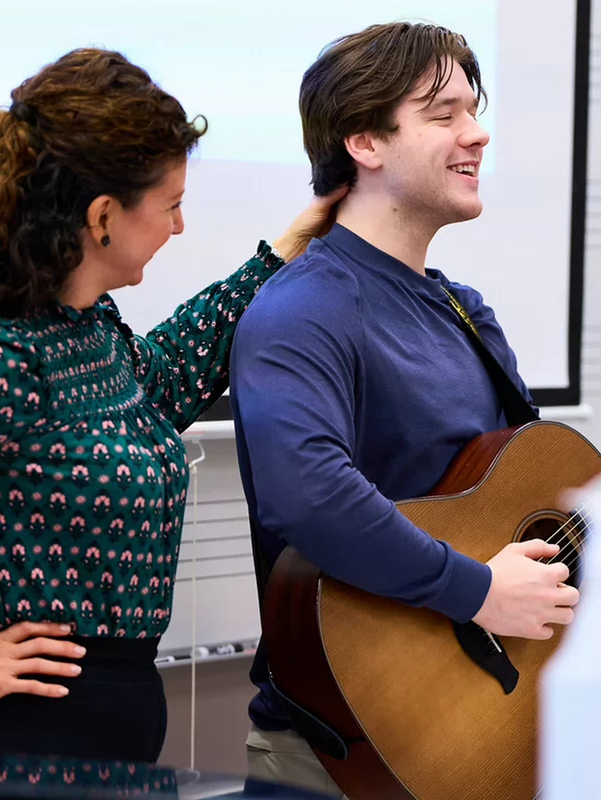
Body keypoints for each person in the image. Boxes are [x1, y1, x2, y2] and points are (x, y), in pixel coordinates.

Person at [0, 48, 344, 761]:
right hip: (23, 743)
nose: (180, 226)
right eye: (171, 205)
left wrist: (283, 253)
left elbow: (165, 381)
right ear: (102, 216)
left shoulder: (88, 330)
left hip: (107, 727)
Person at [229, 22, 579, 796]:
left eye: (474, 111)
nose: (477, 133)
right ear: (364, 142)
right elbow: (309, 495)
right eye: (444, 114)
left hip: (469, 736)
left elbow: (518, 499)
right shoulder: (305, 309)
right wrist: (477, 590)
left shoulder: (464, 310)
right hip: (340, 758)